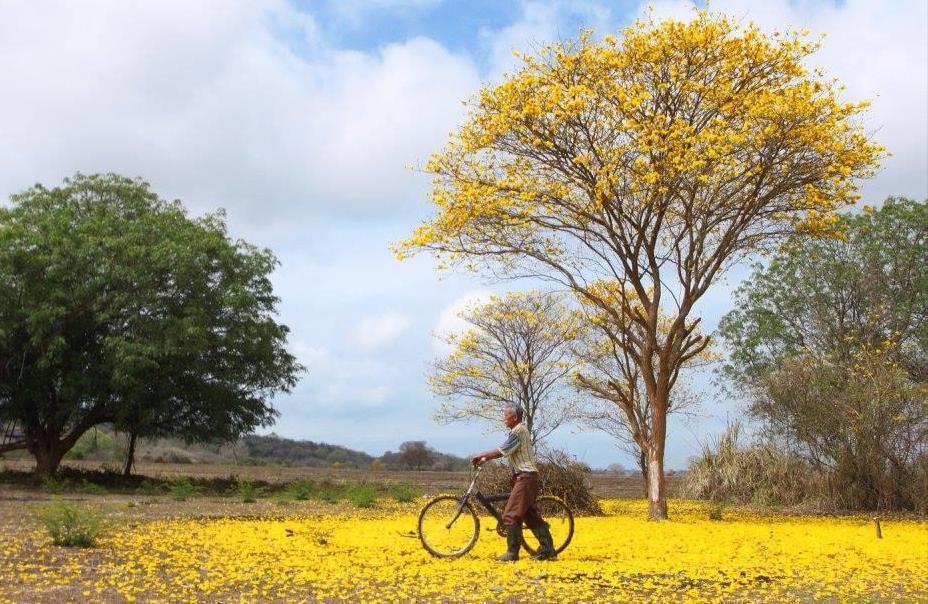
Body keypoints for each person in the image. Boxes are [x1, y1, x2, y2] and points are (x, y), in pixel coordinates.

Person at [470, 405, 556, 562]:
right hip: (526, 478)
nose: (504, 419)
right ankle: (548, 550)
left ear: (514, 418)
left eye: (506, 416)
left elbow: (503, 450)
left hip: (526, 478)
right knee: (531, 517)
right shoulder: (519, 430)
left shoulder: (518, 431)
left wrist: (482, 456)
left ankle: (512, 553)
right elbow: (505, 451)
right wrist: (485, 458)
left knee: (510, 515)